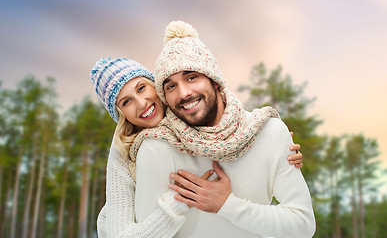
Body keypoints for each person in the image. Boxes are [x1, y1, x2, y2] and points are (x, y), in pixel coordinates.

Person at [133, 21, 316, 237]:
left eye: (192, 77)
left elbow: (303, 225)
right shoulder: (157, 147)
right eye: (171, 86)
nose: (183, 93)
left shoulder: (268, 132)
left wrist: (226, 205)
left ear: (216, 82)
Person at [90, 57, 304, 237]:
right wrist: (179, 201)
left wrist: (274, 141)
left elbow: (232, 123)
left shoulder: (191, 114)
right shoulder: (127, 150)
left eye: (142, 88)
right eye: (126, 102)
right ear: (121, 115)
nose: (142, 103)